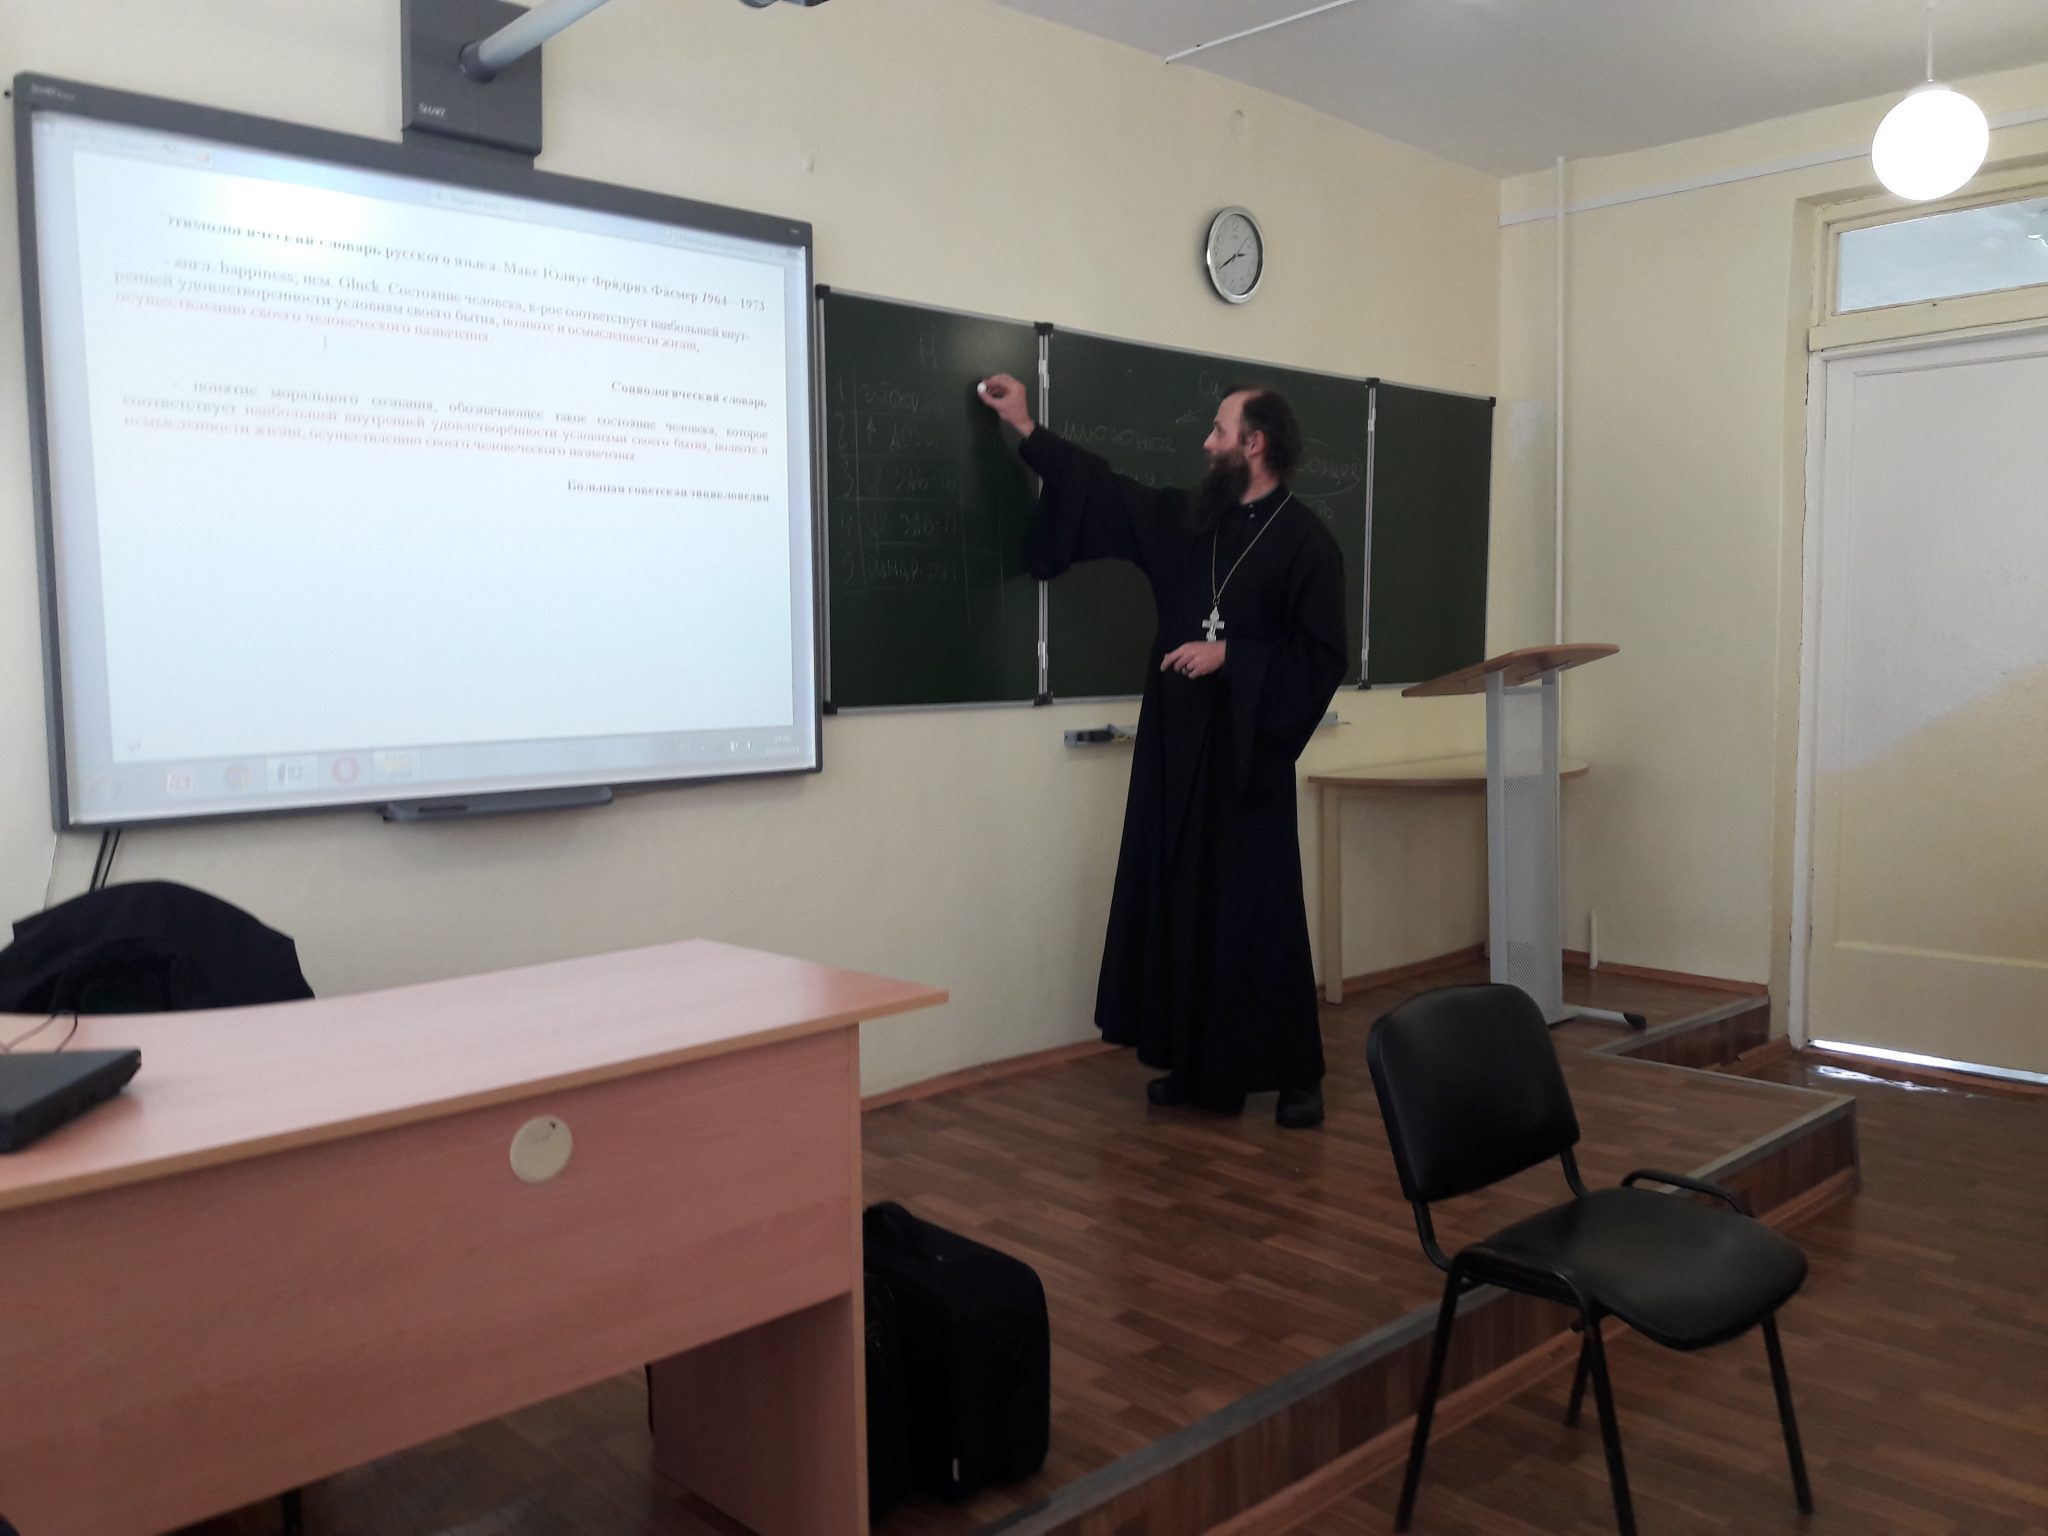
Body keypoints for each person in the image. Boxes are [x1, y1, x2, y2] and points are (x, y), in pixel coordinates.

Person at [978, 373, 1345, 1128]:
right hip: (1176, 750)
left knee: (1254, 913)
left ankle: (1292, 1072)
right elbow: (1102, 489)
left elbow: (1321, 656)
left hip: (1247, 757)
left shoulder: (1308, 542)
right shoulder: (1188, 521)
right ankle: (1202, 1068)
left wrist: (1233, 656)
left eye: (1219, 431)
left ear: (1255, 444)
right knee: (1182, 901)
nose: (1206, 444)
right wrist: (1025, 427)